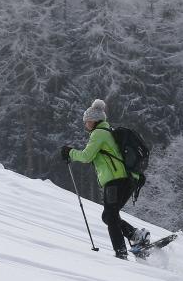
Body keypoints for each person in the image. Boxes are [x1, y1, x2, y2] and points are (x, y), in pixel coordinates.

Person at [61, 99, 149, 260]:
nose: (85, 125)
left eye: (87, 121)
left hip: (116, 181)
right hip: (127, 180)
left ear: (94, 120)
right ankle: (136, 235)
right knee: (109, 216)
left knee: (111, 215)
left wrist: (70, 152)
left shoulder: (99, 133)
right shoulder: (108, 131)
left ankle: (121, 252)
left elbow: (86, 156)